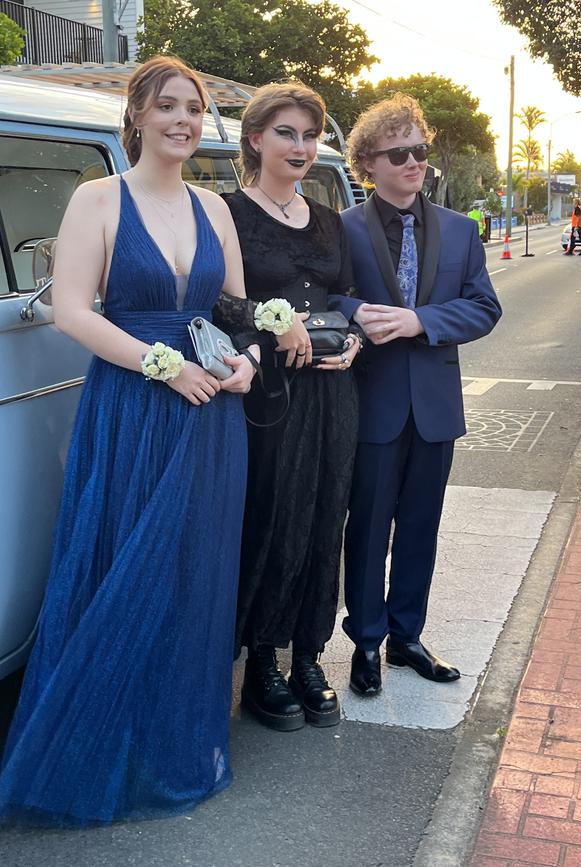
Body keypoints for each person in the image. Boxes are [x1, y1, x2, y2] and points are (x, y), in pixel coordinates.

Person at [0, 56, 257, 826]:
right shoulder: (97, 197)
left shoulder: (214, 208)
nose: (182, 119)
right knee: (124, 560)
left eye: (193, 107)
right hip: (135, 405)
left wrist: (247, 359)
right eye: (168, 106)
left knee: (192, 571)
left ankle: (171, 737)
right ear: (138, 116)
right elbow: (75, 310)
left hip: (211, 412)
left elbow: (236, 309)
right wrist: (162, 364)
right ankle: (100, 741)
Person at [333, 94, 502, 697]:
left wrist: (420, 321)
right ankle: (367, 641)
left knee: (421, 528)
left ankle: (407, 637)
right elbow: (326, 297)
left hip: (435, 408)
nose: (413, 163)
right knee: (368, 526)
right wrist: (358, 311)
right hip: (371, 402)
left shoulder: (460, 229)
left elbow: (485, 307)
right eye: (398, 153)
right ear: (367, 163)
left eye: (420, 151)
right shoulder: (342, 227)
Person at [220, 82, 361, 732]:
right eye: (287, 132)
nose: (301, 146)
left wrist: (353, 340)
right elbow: (217, 299)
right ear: (255, 137)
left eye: (309, 135)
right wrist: (272, 320)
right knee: (271, 516)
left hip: (333, 391)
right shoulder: (228, 213)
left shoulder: (330, 219)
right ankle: (263, 661)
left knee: (326, 515)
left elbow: (348, 296)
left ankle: (309, 653)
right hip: (268, 393)